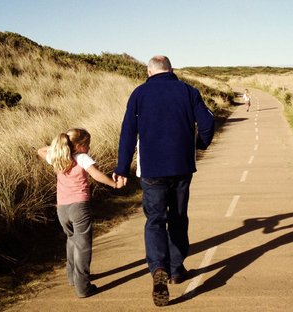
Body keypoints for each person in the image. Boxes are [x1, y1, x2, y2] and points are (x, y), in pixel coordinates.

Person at [113, 55, 215, 307]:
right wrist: (199, 144)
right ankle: (177, 268)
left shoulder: (139, 94)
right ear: (171, 69)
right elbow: (207, 122)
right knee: (178, 217)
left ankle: (158, 268)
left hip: (151, 170)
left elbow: (127, 133)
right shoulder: (188, 91)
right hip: (181, 167)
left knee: (155, 220)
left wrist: (122, 168)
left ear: (149, 71)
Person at [37, 128, 119, 298]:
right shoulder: (82, 157)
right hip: (79, 207)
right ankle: (83, 287)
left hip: (62, 209)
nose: (89, 147)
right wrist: (114, 184)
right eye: (87, 144)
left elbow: (40, 151)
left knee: (72, 240)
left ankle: (72, 277)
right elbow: (96, 175)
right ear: (80, 145)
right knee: (83, 246)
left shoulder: (58, 157)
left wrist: (59, 147)